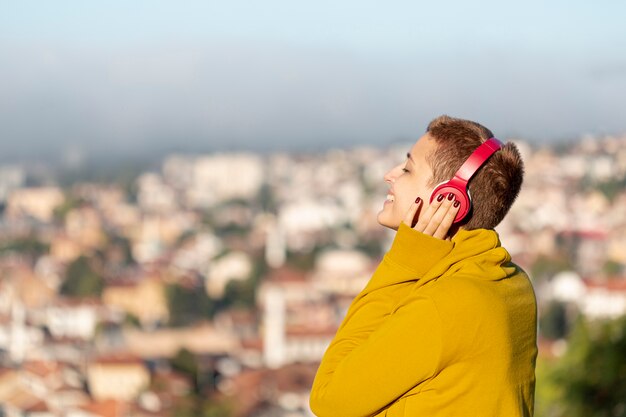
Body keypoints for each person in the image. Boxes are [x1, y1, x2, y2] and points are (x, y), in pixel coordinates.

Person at [309, 115, 537, 416]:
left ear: (449, 199)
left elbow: (328, 400)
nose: (389, 175)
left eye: (407, 169)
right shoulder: (514, 282)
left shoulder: (443, 305)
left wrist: (403, 262)